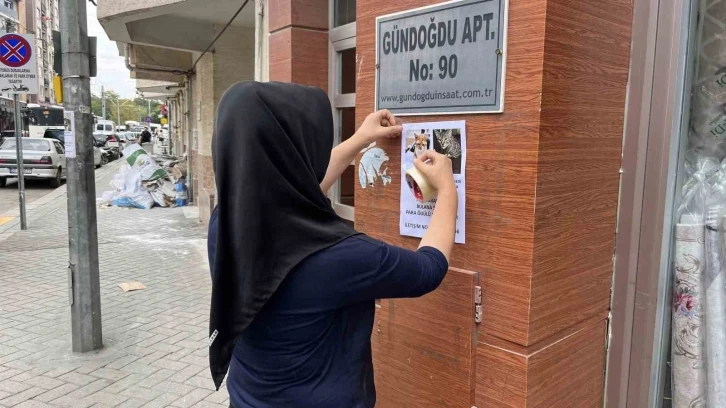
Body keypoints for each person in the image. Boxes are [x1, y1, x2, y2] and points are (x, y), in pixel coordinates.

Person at [207, 82, 457, 408]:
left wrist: (360, 139)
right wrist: (447, 188)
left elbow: (298, 186)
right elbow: (428, 269)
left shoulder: (226, 223)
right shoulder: (337, 258)